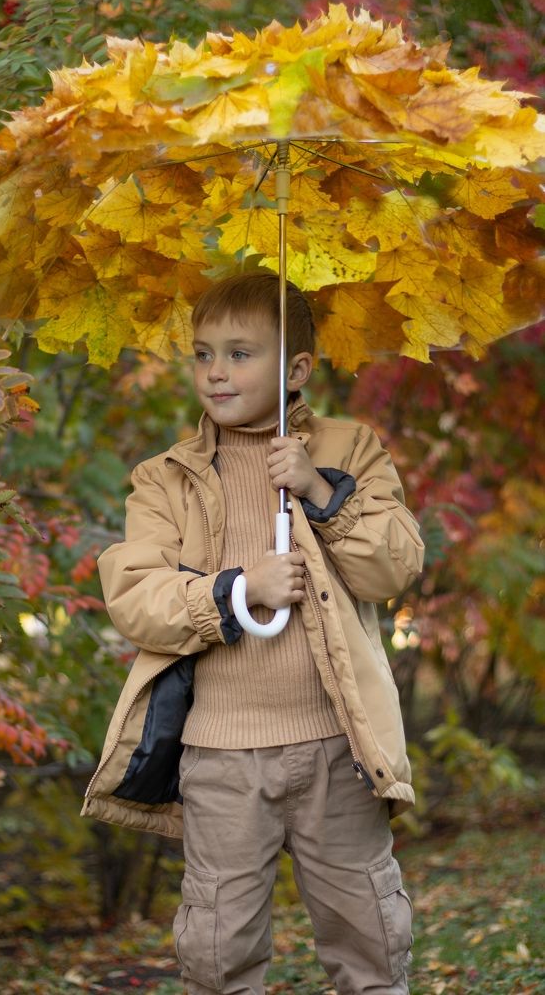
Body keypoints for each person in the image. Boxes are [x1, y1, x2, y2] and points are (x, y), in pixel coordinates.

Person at [82, 271, 425, 995]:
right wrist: (239, 589)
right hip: (222, 757)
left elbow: (394, 567)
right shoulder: (165, 479)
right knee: (218, 943)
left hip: (337, 745)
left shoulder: (347, 449)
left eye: (240, 353)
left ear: (296, 368)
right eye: (203, 353)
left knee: (368, 928)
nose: (215, 371)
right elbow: (137, 597)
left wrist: (320, 491)